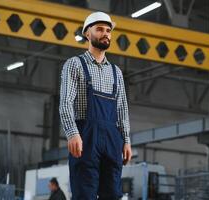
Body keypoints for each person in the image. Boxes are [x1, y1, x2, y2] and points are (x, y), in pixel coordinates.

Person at [59, 11, 132, 200]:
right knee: (84, 192)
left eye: (108, 30)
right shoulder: (74, 64)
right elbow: (65, 102)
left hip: (112, 138)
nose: (105, 33)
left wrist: (126, 140)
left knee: (113, 194)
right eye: (99, 29)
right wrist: (72, 133)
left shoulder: (116, 72)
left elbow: (122, 109)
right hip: (85, 137)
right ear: (87, 33)